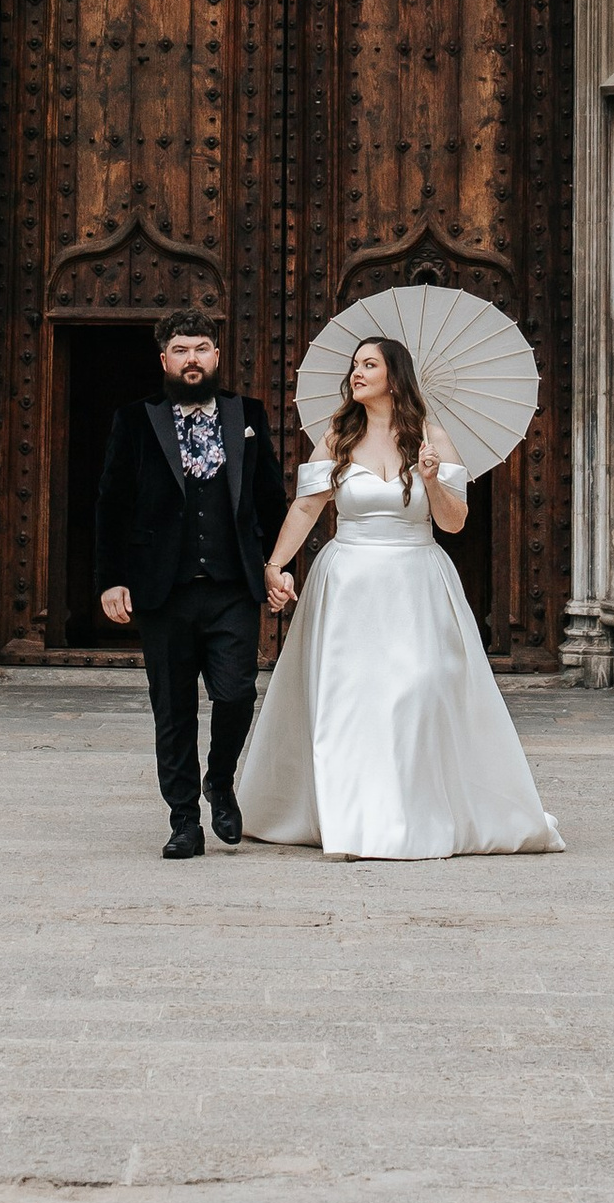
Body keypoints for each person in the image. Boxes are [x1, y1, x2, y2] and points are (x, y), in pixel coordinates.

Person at [235, 333, 562, 859]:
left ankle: (407, 812)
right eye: (354, 365)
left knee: (417, 688)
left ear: (395, 375)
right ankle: (354, 817)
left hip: (416, 580)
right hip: (348, 584)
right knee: (348, 699)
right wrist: (275, 565)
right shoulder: (337, 436)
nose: (357, 373)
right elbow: (305, 509)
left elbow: (454, 523)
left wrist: (433, 481)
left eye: (369, 364)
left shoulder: (431, 437)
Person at [93, 313, 280, 861]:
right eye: (181, 350)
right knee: (172, 710)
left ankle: (219, 781)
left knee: (236, 693)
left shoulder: (247, 415)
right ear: (164, 361)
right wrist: (111, 580)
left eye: (202, 348)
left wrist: (278, 564)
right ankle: (183, 822)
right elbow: (112, 504)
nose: (192, 359)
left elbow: (269, 499)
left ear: (218, 357)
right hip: (163, 590)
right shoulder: (135, 420)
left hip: (231, 587)